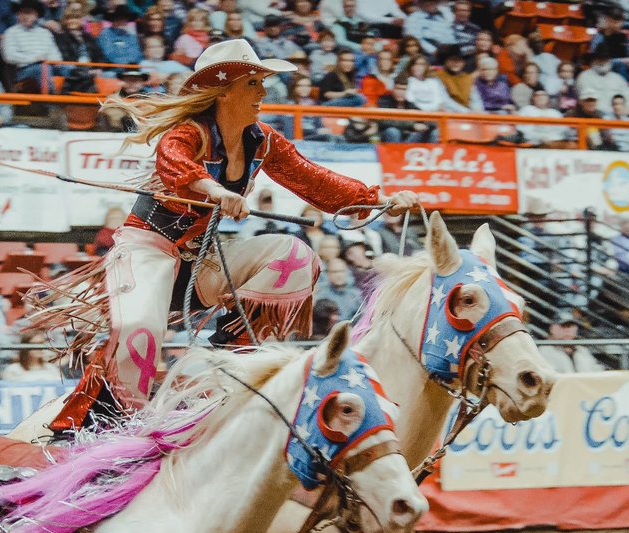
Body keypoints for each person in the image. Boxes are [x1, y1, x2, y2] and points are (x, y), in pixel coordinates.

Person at [30, 38, 419, 430]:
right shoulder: (188, 132)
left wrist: (380, 200)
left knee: (294, 255)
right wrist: (215, 191)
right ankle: (111, 425)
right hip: (147, 248)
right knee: (138, 329)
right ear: (224, 91)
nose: (263, 92)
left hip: (201, 258)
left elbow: (314, 179)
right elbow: (173, 160)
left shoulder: (263, 140)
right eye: (253, 83)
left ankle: (230, 367)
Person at [2, 0, 61, 85]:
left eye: (30, 13)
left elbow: (54, 52)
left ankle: (74, 91)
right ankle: (50, 93)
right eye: (23, 13)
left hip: (47, 64)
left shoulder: (45, 33)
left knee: (70, 69)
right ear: (18, 14)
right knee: (42, 69)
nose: (26, 16)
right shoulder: (10, 32)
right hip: (24, 70)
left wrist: (55, 62)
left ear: (37, 15)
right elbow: (9, 56)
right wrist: (34, 59)